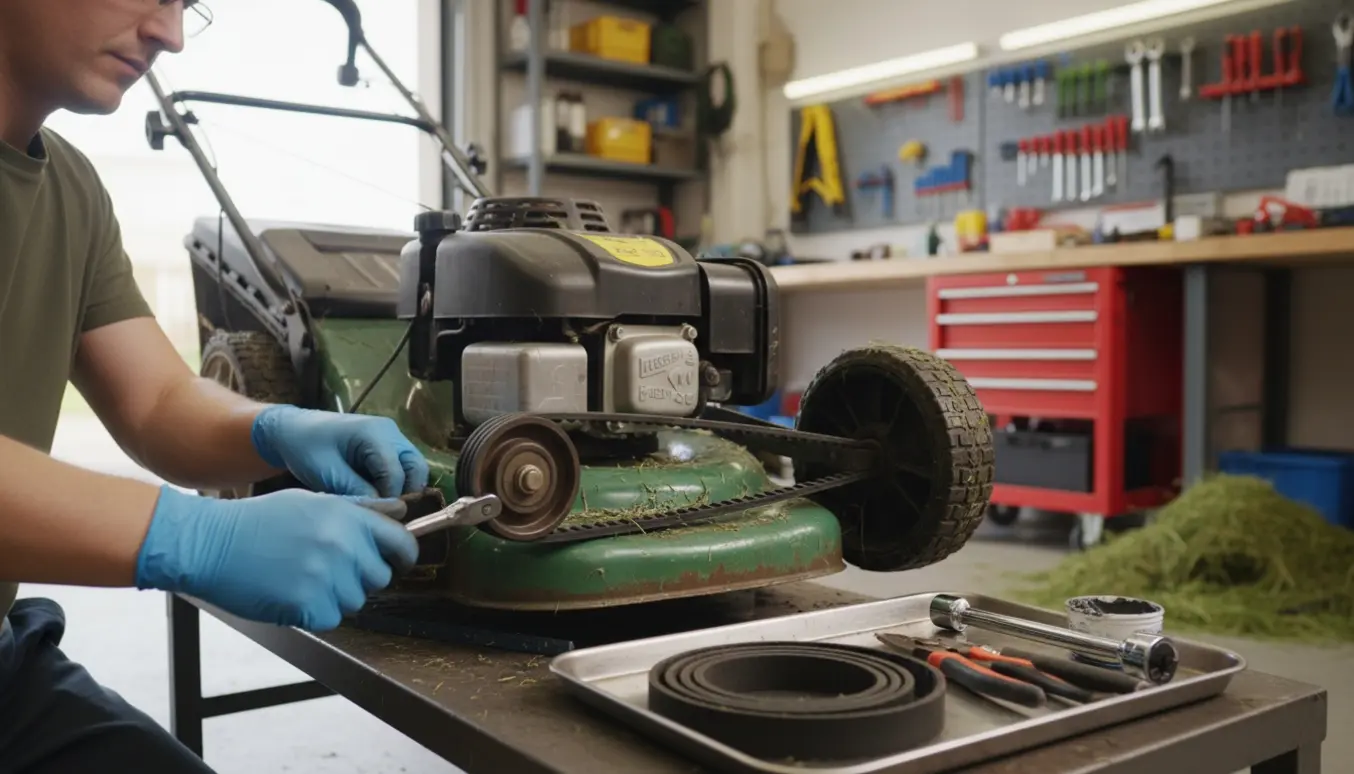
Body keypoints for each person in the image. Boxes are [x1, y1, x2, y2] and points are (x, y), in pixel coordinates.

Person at [0, 2, 432, 770]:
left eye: (184, 5)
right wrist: (196, 536)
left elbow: (157, 402)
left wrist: (279, 430)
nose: (168, 34)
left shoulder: (70, 187)